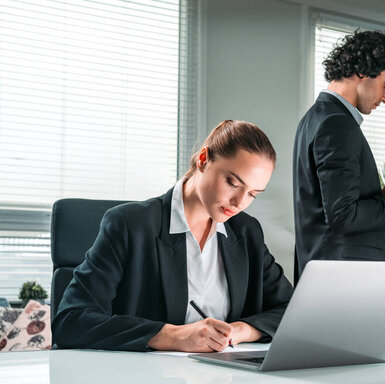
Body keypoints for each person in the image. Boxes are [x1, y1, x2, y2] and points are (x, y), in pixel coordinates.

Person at [53, 120, 293, 353]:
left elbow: (292, 310)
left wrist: (237, 331)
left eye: (253, 194)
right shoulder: (129, 225)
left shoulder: (245, 232)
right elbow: (71, 321)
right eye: (232, 183)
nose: (240, 203)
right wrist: (174, 336)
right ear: (203, 160)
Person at [293, 30, 385, 283]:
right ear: (363, 70)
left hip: (331, 275)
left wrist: (381, 196)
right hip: (346, 280)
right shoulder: (336, 124)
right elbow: (342, 216)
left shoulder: (316, 118)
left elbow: (330, 204)